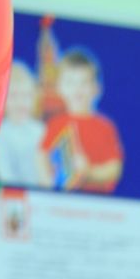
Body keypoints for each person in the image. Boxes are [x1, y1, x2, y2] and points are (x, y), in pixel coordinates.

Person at [41, 47, 124, 193]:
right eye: (70, 83)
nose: (77, 89)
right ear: (60, 87)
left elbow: (114, 168)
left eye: (84, 83)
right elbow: (42, 156)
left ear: (96, 88)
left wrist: (89, 172)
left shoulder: (105, 126)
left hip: (99, 204)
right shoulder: (56, 123)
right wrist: (48, 186)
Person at [0, 61, 51, 188]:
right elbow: (4, 174)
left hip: (44, 197)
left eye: (26, 96)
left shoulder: (40, 130)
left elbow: (50, 169)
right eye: (14, 96)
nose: (20, 102)